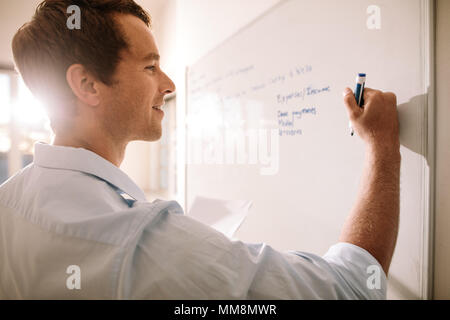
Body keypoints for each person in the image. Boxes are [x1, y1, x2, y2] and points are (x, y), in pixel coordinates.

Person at [0, 0, 400, 299]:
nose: (169, 84)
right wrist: (382, 149)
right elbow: (351, 288)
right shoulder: (142, 241)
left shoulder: (8, 200)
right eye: (150, 67)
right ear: (87, 85)